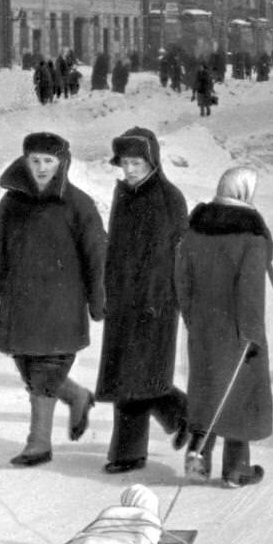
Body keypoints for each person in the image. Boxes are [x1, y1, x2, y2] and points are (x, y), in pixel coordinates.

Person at [0, 132, 106, 466]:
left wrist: (98, 301)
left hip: (61, 305)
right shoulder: (12, 202)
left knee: (45, 372)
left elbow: (97, 256)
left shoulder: (78, 204)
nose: (41, 167)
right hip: (20, 302)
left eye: (48, 161)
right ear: (25, 161)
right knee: (27, 366)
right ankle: (78, 395)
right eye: (34, 160)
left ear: (62, 163)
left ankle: (38, 444)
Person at [176, 167, 273, 488]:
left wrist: (193, 319)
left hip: (203, 327)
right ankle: (236, 470)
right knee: (240, 395)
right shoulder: (251, 238)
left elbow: (182, 281)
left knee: (207, 390)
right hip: (237, 331)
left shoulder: (194, 231)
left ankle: (199, 462)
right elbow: (250, 293)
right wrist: (251, 336)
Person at [95, 128, 190, 475]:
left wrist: (155, 300)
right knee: (128, 374)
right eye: (125, 163)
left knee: (139, 374)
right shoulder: (124, 195)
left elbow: (172, 259)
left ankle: (132, 450)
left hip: (156, 302)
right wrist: (106, 290)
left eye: (136, 162)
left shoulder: (169, 198)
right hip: (123, 300)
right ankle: (178, 418)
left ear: (152, 161)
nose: (130, 169)